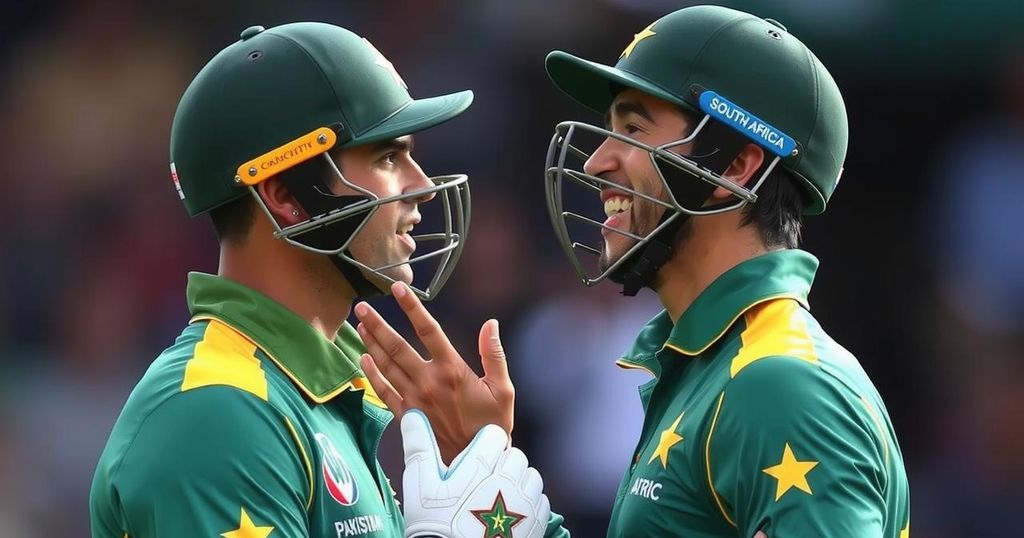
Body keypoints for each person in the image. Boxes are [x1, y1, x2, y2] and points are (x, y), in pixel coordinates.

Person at [355, 5, 910, 537]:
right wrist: (501, 498)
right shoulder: (711, 369)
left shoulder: (783, 386)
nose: (597, 164)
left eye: (635, 130)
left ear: (735, 166)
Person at [89, 22, 556, 538]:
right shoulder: (217, 410)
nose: (422, 187)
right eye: (387, 157)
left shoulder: (320, 391)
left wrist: (484, 478)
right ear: (285, 195)